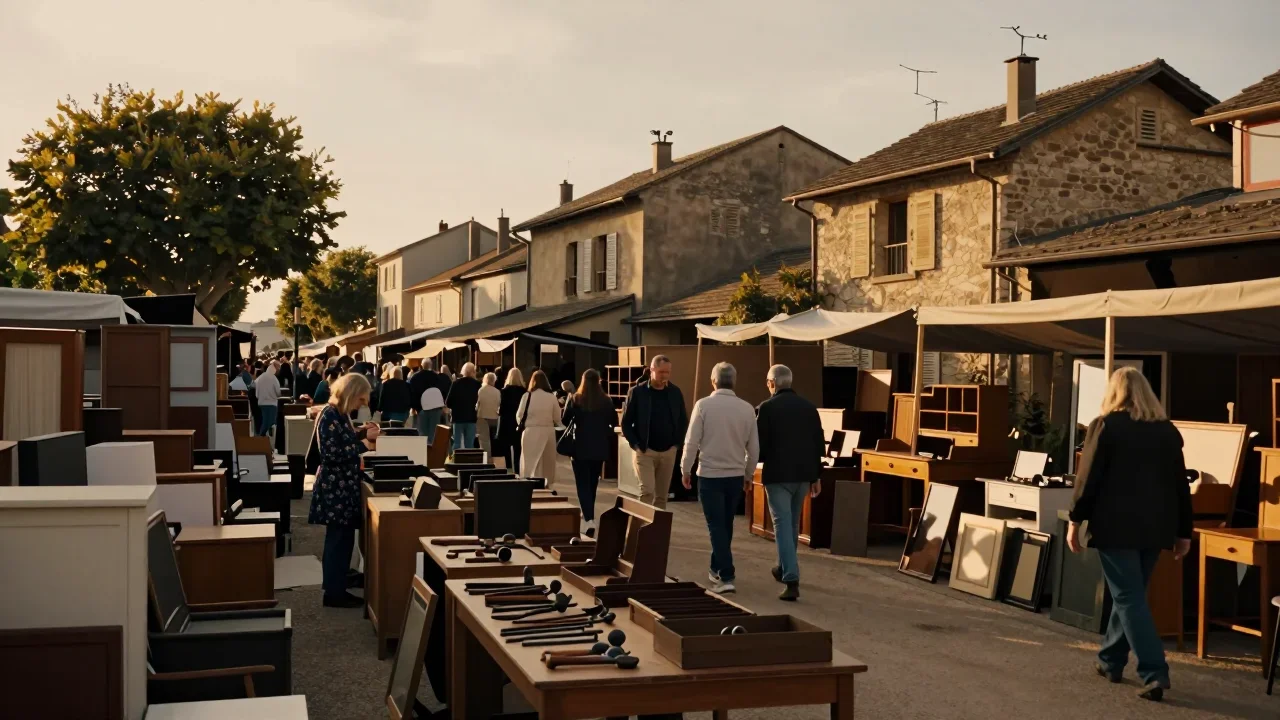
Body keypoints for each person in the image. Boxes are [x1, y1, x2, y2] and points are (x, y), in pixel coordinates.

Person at [1068, 366, 1191, 702]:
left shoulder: (1106, 426)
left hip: (1116, 526)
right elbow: (1181, 486)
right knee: (1131, 596)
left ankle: (1154, 672)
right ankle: (1110, 660)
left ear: (1114, 393)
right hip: (1157, 528)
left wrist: (1074, 519)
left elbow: (1087, 479)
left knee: (1128, 597)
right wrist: (1184, 532)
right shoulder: (1166, 431)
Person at [681, 362, 758, 594]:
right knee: (725, 524)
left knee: (716, 525)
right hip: (735, 474)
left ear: (713, 381)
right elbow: (753, 448)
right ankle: (716, 568)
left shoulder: (703, 405)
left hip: (710, 473)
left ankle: (726, 575)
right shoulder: (746, 408)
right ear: (734, 381)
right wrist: (748, 473)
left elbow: (692, 441)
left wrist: (685, 468)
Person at [307, 373, 380, 608]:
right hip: (335, 488)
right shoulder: (330, 415)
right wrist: (363, 444)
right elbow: (331, 453)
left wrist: (360, 433)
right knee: (338, 541)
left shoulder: (337, 414)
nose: (362, 405)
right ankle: (334, 592)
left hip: (340, 488)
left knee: (342, 540)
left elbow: (340, 441)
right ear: (351, 394)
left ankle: (336, 586)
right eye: (361, 399)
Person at [756, 364, 825, 601]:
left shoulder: (766, 408)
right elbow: (818, 442)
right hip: (804, 475)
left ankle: (791, 578)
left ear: (772, 383)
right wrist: (816, 475)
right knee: (792, 525)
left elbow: (760, 447)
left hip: (778, 475)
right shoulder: (809, 407)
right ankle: (784, 567)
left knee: (782, 526)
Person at [621, 355, 687, 509]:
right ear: (652, 370)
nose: (664, 376)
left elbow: (683, 420)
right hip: (645, 451)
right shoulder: (637, 392)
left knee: (662, 497)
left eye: (668, 372)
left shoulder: (675, 392)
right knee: (647, 492)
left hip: (668, 451)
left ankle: (656, 531)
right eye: (661, 372)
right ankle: (640, 527)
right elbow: (625, 422)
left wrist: (676, 445)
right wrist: (636, 445)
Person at [562, 369, 617, 536]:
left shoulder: (576, 399)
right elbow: (614, 421)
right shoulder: (606, 400)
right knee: (592, 484)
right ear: (599, 381)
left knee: (582, 484)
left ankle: (588, 518)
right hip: (599, 447)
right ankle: (589, 515)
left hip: (579, 447)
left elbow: (564, 420)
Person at [518, 370, 559, 484]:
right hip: (547, 431)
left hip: (530, 431)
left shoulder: (527, 396)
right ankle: (545, 485)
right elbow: (557, 418)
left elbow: (520, 415)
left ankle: (528, 484)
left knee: (529, 463)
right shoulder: (551, 397)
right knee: (546, 463)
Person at [496, 368, 526, 471]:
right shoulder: (524, 392)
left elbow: (501, 408)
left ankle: (508, 467)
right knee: (518, 447)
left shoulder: (504, 391)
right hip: (518, 422)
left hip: (506, 421)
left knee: (506, 447)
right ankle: (517, 468)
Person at [446, 363, 482, 451]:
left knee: (456, 443)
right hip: (471, 417)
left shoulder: (455, 383)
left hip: (457, 417)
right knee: (469, 444)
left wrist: (455, 407)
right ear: (474, 371)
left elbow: (448, 402)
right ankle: (469, 462)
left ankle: (455, 462)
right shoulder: (477, 384)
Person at [409, 359, 439, 437]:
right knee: (433, 433)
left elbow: (412, 393)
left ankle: (423, 448)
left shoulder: (415, 377)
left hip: (421, 408)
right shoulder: (437, 377)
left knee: (422, 433)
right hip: (434, 408)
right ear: (431, 365)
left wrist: (415, 407)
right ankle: (431, 448)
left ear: (421, 366)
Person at [254, 360, 282, 436]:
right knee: (271, 422)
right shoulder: (274, 379)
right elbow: (278, 393)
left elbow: (255, 390)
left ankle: (265, 437)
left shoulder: (260, 377)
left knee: (265, 420)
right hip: (272, 403)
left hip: (261, 402)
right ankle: (264, 437)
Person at [477, 372, 501, 455]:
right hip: (494, 417)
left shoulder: (481, 390)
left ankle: (486, 458)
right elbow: (499, 404)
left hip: (482, 417)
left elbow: (477, 404)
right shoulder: (497, 391)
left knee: (484, 441)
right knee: (493, 439)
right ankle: (494, 458)